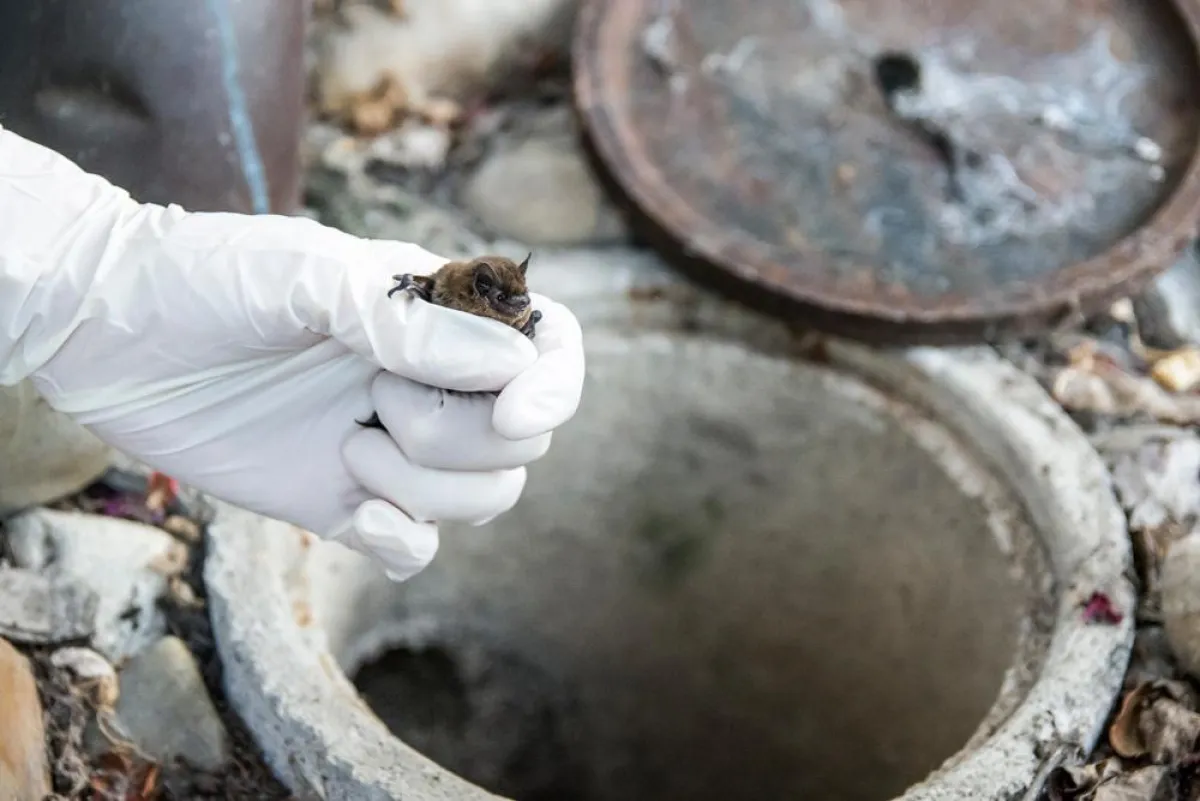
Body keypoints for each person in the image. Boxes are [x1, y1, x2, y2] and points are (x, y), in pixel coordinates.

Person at [0, 124, 586, 582]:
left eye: (518, 297)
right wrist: (79, 274)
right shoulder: (447, 285)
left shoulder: (506, 304)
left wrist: (76, 267)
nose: (513, 302)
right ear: (479, 288)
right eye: (503, 295)